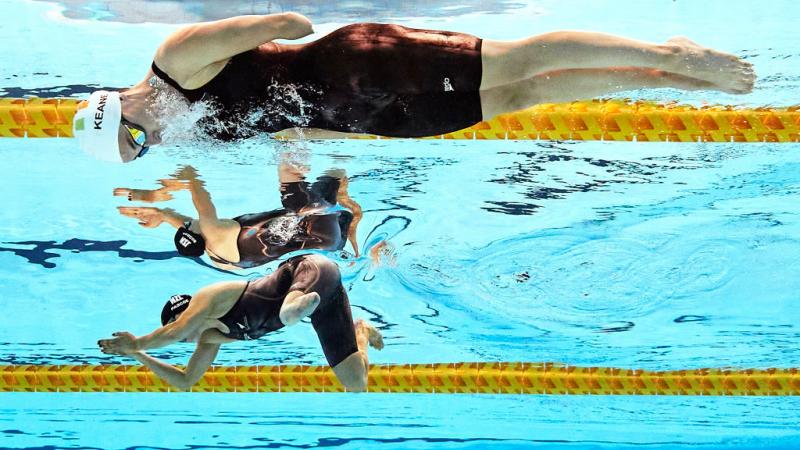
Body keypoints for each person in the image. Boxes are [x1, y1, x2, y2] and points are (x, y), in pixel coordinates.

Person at [71, 14, 755, 162]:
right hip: (370, 116)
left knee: (516, 61)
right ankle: (656, 75)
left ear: (117, 105)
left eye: (136, 133)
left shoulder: (173, 61)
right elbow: (286, 128)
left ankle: (671, 53)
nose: (153, 137)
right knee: (517, 97)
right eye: (143, 149)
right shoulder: (189, 127)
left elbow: (285, 23)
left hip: (364, 66)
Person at [97, 254, 383, 392]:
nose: (185, 340)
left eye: (180, 328)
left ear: (184, 314)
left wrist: (137, 341)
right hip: (327, 299)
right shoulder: (211, 337)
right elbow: (185, 381)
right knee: (356, 383)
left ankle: (300, 305)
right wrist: (138, 354)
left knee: (288, 315)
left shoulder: (208, 299)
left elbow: (177, 331)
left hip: (309, 270)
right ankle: (361, 330)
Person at [115, 164, 362, 270]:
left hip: (330, 242)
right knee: (291, 168)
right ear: (201, 231)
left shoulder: (217, 256)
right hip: (311, 217)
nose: (191, 222)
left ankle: (348, 214)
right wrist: (155, 195)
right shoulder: (212, 229)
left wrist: (165, 216)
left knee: (307, 211)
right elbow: (191, 177)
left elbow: (191, 229)